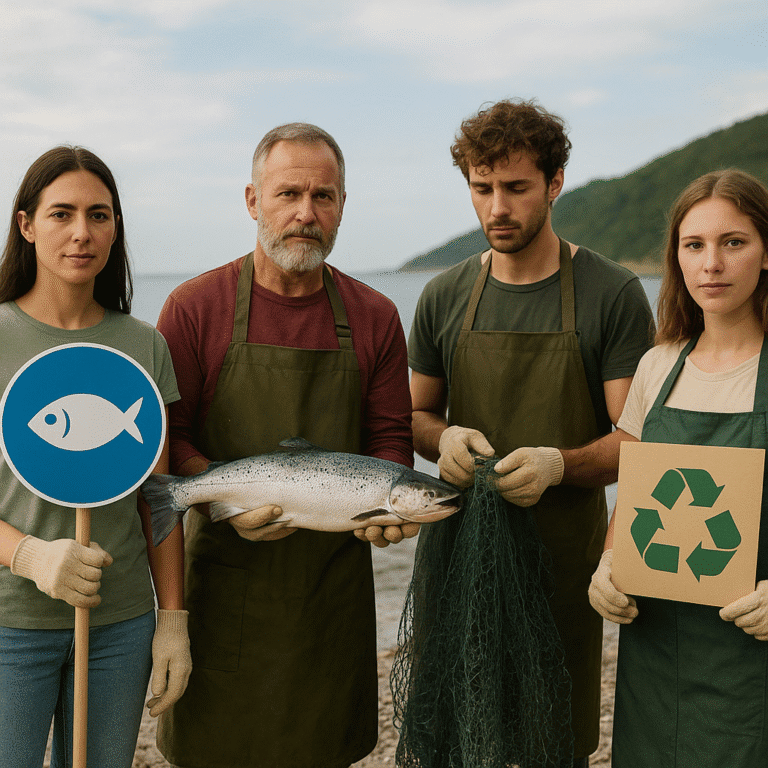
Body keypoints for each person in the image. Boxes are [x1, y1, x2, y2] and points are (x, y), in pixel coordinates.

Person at [155, 122, 414, 768]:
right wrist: (223, 496)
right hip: (223, 595)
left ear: (343, 207)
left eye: (324, 197)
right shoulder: (193, 308)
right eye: (288, 194)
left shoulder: (376, 315)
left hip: (331, 598)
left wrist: (391, 505)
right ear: (252, 201)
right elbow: (172, 440)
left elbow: (389, 440)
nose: (306, 213)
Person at [408, 98, 655, 764]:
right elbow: (415, 415)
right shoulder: (444, 295)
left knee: (553, 738)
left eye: (515, 188)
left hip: (563, 566)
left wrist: (559, 465)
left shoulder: (611, 292)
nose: (496, 208)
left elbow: (638, 444)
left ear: (555, 183)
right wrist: (443, 441)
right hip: (458, 557)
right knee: (459, 734)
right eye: (481, 189)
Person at [0, 145, 191, 768]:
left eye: (99, 214)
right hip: (10, 623)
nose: (82, 232)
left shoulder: (143, 346)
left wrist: (173, 621)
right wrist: (29, 555)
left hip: (120, 624)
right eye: (62, 214)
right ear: (26, 225)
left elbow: (158, 501)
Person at [588, 168, 768, 766]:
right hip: (656, 651)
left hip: (752, 654)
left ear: (766, 252)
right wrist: (610, 564)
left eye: (733, 242)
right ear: (677, 259)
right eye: (694, 245)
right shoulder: (657, 366)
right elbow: (637, 493)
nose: (711, 264)